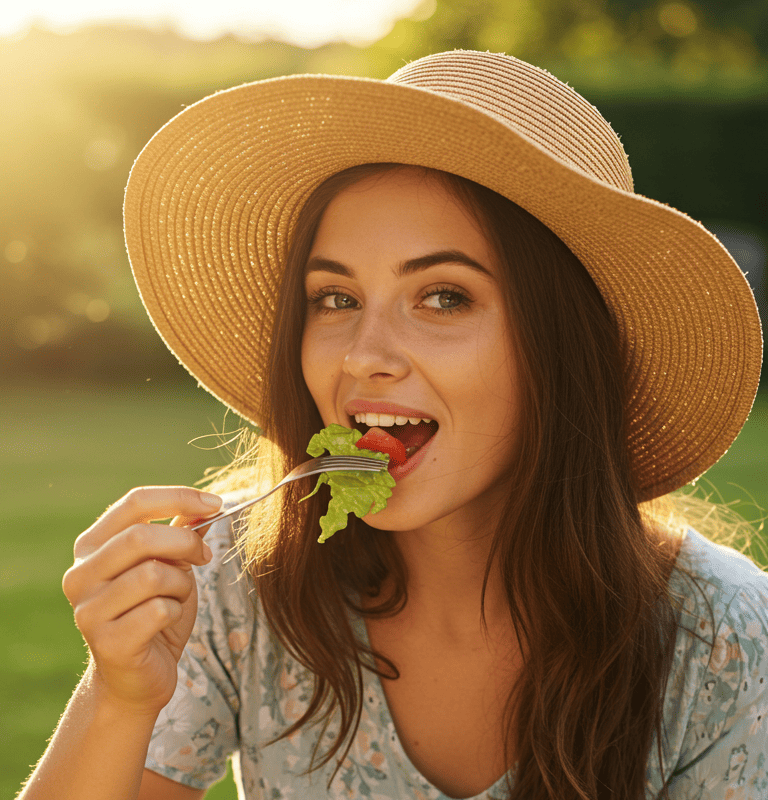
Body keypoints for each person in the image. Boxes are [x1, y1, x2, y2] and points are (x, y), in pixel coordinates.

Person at [18, 50, 767, 800]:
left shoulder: (724, 639)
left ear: (561, 349)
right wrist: (117, 698)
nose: (363, 357)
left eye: (443, 298)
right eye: (335, 299)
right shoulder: (234, 580)